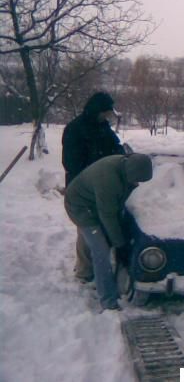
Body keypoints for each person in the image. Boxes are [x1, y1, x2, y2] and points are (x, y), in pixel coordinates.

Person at [64, 153, 153, 311]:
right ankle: (108, 300)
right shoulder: (108, 180)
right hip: (80, 207)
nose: (137, 183)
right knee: (101, 250)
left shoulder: (123, 166)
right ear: (130, 172)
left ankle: (84, 273)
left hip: (92, 201)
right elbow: (108, 215)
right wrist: (119, 243)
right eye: (136, 179)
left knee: (92, 239)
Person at [62, 91, 125, 282]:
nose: (107, 116)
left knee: (98, 226)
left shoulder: (102, 127)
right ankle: (84, 271)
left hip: (104, 182)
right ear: (96, 110)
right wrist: (95, 175)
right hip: (82, 187)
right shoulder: (75, 129)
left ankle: (95, 264)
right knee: (88, 227)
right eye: (105, 113)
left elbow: (116, 148)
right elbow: (71, 162)